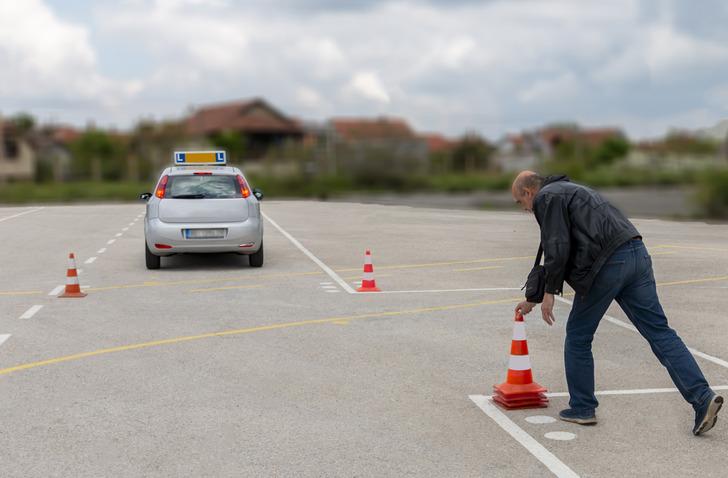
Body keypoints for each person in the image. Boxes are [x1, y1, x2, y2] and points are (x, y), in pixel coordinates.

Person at [512, 171, 722, 435]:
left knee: (578, 336)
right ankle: (702, 397)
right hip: (636, 254)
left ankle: (582, 407)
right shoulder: (573, 189)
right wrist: (533, 297)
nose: (525, 210)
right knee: (660, 333)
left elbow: (557, 244)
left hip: (607, 264)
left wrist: (550, 293)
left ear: (529, 192)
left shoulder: (547, 197)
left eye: (521, 203)